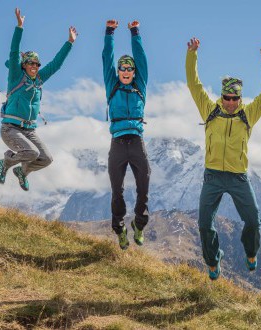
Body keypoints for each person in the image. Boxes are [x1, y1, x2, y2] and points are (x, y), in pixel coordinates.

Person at [186, 37, 261, 280]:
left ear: (240, 98)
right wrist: (192, 54)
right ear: (222, 96)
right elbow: (194, 85)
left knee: (253, 220)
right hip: (213, 176)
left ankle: (251, 253)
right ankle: (213, 260)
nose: (229, 102)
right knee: (205, 224)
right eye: (226, 98)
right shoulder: (210, 111)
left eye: (234, 98)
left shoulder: (248, 115)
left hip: (238, 177)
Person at [0, 8, 77, 191]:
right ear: (24, 65)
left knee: (46, 159)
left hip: (29, 130)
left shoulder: (39, 79)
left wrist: (69, 43)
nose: (34, 66)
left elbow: (56, 64)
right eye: (31, 63)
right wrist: (19, 27)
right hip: (11, 128)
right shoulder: (16, 76)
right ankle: (5, 163)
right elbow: (14, 52)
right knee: (31, 152)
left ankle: (22, 172)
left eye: (37, 64)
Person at [102, 19, 151, 250]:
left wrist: (135, 33)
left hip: (137, 142)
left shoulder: (140, 84)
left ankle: (139, 225)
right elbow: (106, 59)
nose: (126, 71)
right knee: (117, 190)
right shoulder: (112, 84)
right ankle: (120, 229)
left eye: (130, 68)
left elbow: (142, 58)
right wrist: (109, 32)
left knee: (144, 186)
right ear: (118, 71)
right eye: (122, 68)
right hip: (118, 143)